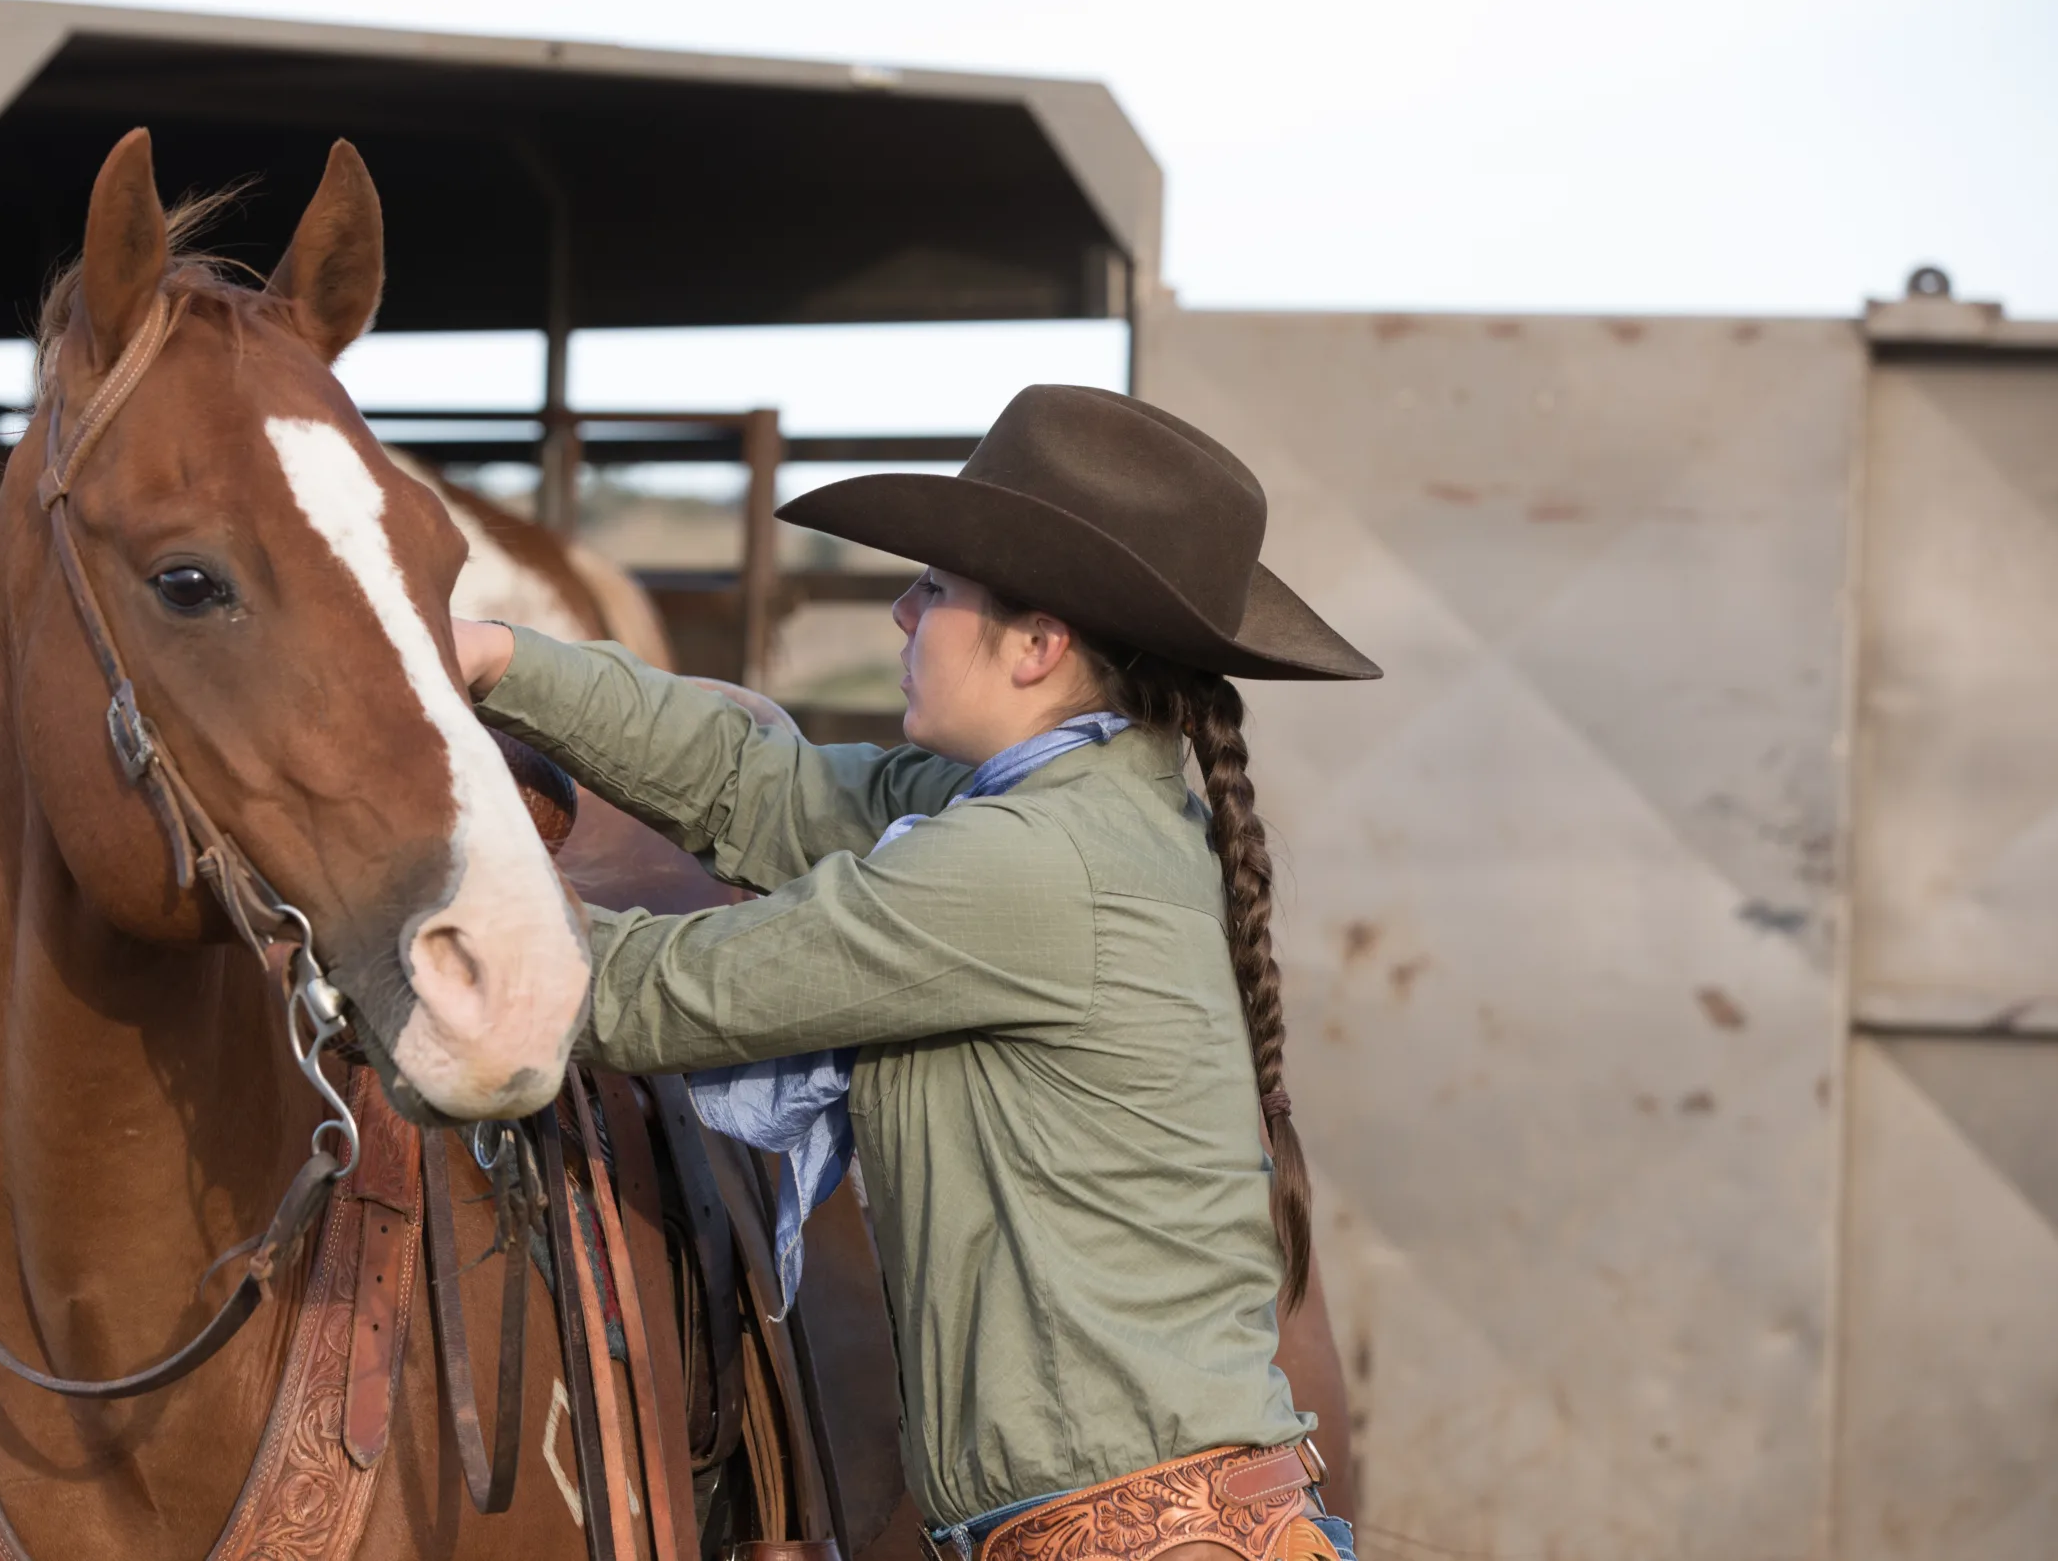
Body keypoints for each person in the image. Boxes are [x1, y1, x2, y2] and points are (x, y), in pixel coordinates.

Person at [455, 385, 1376, 1561]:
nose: (901, 610)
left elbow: (652, 993)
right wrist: (494, 658)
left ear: (1038, 645)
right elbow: (758, 787)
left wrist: (399, 898)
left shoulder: (1027, 863)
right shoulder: (1074, 811)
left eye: (935, 589)